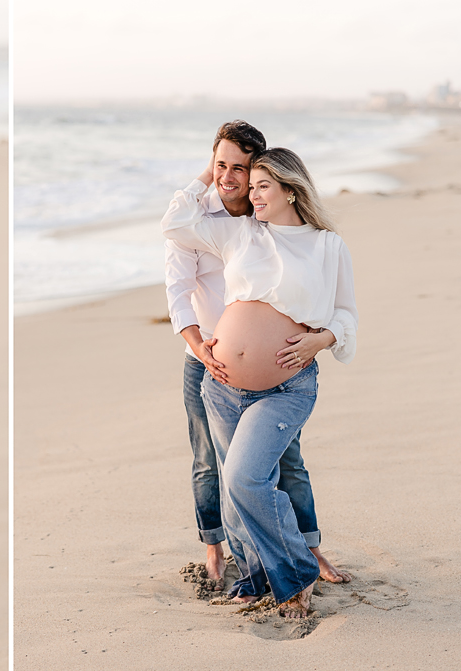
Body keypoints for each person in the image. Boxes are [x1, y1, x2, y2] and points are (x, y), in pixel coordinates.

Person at [161, 147, 358, 618]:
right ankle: (256, 576)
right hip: (223, 385)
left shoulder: (327, 245)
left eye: (262, 186)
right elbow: (174, 224)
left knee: (245, 478)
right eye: (250, 188)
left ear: (291, 188)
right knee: (234, 491)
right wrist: (207, 174)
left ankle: (294, 572)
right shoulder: (242, 233)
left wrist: (322, 340)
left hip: (287, 387)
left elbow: (347, 314)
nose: (252, 195)